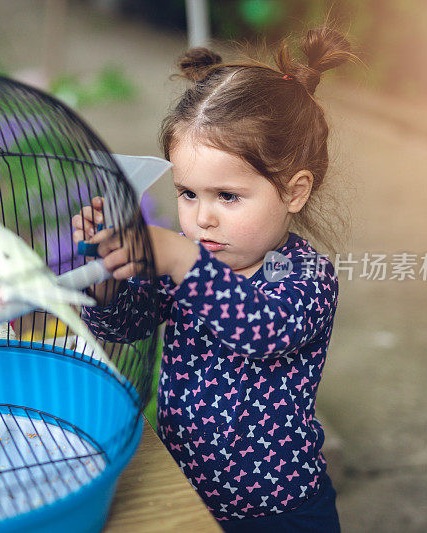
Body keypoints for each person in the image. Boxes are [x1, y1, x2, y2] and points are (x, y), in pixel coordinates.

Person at [72, 26, 355, 532]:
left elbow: (260, 328)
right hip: (185, 491)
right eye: (187, 194)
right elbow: (124, 324)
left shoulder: (305, 276)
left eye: (227, 196)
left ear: (294, 192)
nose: (202, 219)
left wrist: (181, 261)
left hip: (279, 511)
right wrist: (108, 273)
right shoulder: (194, 261)